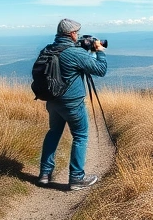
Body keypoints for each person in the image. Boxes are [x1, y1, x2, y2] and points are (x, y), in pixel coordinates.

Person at [37, 18, 107, 190]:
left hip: (53, 101)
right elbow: (100, 70)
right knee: (80, 136)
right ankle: (76, 178)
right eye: (77, 32)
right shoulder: (75, 53)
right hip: (72, 103)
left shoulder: (48, 49)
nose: (78, 35)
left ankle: (45, 174)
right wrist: (99, 50)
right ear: (72, 34)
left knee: (54, 132)